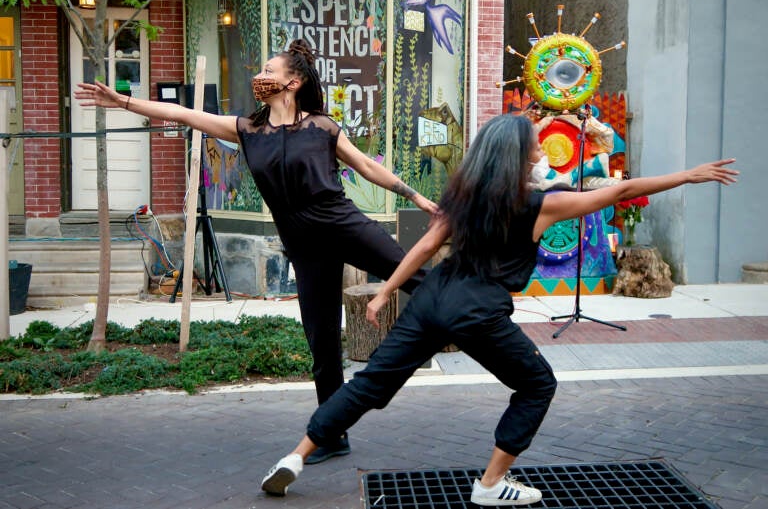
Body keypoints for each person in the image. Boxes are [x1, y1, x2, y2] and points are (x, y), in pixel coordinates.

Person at [259, 113, 738, 505]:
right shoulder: (538, 205)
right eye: (535, 141)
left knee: (369, 384)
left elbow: (426, 246)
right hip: (478, 309)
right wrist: (688, 175)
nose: (540, 145)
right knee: (537, 384)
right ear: (520, 152)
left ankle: (295, 458)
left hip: (431, 299)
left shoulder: (464, 196)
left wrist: (387, 292)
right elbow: (616, 192)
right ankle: (490, 484)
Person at [75, 39, 438, 464]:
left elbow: (367, 165)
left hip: (342, 224)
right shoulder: (247, 130)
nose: (261, 76)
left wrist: (416, 198)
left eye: (270, 69)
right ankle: (333, 434)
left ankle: (473, 317)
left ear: (293, 82)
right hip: (304, 244)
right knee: (321, 343)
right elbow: (181, 113)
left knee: (413, 274)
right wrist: (124, 102)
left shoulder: (321, 127)